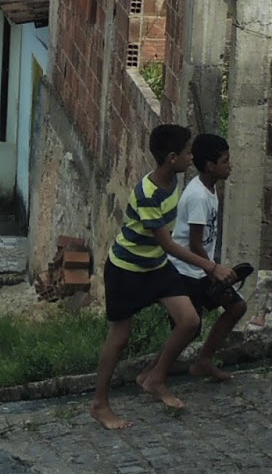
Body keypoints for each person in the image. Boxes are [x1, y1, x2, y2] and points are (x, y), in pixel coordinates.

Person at [90, 123, 235, 430]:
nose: (191, 156)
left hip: (156, 268)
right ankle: (100, 404)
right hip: (127, 270)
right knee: (120, 338)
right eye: (186, 152)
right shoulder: (148, 193)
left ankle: (155, 379)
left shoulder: (175, 184)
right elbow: (167, 243)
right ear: (172, 158)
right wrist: (211, 267)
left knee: (190, 321)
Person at [169, 133, 250, 382]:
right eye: (225, 161)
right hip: (187, 271)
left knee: (237, 307)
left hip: (202, 270)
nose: (230, 166)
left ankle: (203, 361)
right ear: (210, 166)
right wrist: (214, 271)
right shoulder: (198, 197)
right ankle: (153, 372)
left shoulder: (210, 188)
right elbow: (193, 244)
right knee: (189, 329)